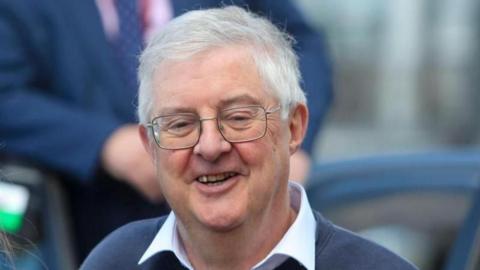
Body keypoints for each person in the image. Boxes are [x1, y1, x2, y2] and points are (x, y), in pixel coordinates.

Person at [81, 6, 417, 270]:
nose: (210, 146)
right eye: (180, 124)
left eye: (238, 118)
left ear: (295, 128)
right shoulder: (115, 262)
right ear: (150, 147)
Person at [0, 0, 331, 262]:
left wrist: (289, 144)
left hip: (259, 226)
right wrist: (104, 143)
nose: (209, 145)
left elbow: (303, 45)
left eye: (239, 116)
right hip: (88, 220)